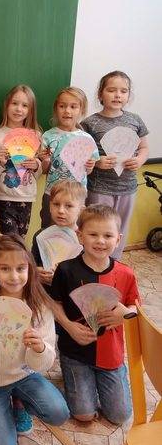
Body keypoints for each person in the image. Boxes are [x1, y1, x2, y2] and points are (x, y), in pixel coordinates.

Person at [0, 234, 70, 445]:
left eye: (21, 268)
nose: (14, 276)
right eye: (5, 269)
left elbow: (44, 363)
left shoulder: (40, 304)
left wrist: (39, 348)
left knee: (59, 413)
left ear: (30, 268)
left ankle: (20, 403)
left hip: (25, 374)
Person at [50, 205, 139, 424]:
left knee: (119, 416)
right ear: (80, 236)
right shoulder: (66, 270)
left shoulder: (126, 273)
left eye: (107, 236)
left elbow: (136, 309)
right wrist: (68, 325)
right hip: (75, 353)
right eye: (93, 235)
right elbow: (54, 303)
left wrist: (126, 314)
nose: (100, 241)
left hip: (111, 355)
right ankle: (76, 380)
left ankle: (99, 381)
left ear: (118, 239)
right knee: (83, 414)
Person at [81, 71, 149, 259]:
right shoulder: (90, 123)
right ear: (100, 94)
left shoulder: (135, 120)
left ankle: (113, 263)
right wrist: (97, 162)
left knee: (119, 231)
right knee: (96, 228)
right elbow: (82, 157)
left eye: (123, 91)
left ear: (128, 95)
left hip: (128, 188)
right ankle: (92, 263)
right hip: (99, 188)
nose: (118, 95)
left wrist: (139, 160)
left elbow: (144, 148)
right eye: (111, 90)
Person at [39, 86, 99, 229]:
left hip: (77, 196)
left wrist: (89, 167)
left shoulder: (86, 139)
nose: (67, 111)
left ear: (81, 110)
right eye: (62, 106)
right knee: (49, 229)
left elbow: (88, 171)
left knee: (75, 231)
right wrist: (45, 160)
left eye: (73, 107)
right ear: (56, 109)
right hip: (53, 193)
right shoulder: (48, 136)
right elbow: (44, 170)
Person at [0, 85, 42, 237]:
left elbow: (38, 172)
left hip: (26, 196)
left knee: (21, 238)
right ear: (7, 105)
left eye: (25, 105)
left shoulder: (35, 135)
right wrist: (1, 164)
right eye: (14, 103)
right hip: (3, 196)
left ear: (31, 110)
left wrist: (37, 165)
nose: (19, 109)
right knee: (11, 240)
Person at [31, 179, 87, 291]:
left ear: (81, 210)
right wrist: (35, 272)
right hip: (43, 292)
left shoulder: (85, 240)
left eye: (69, 206)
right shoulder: (40, 235)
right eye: (56, 204)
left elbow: (86, 274)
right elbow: (32, 263)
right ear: (50, 206)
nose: (61, 210)